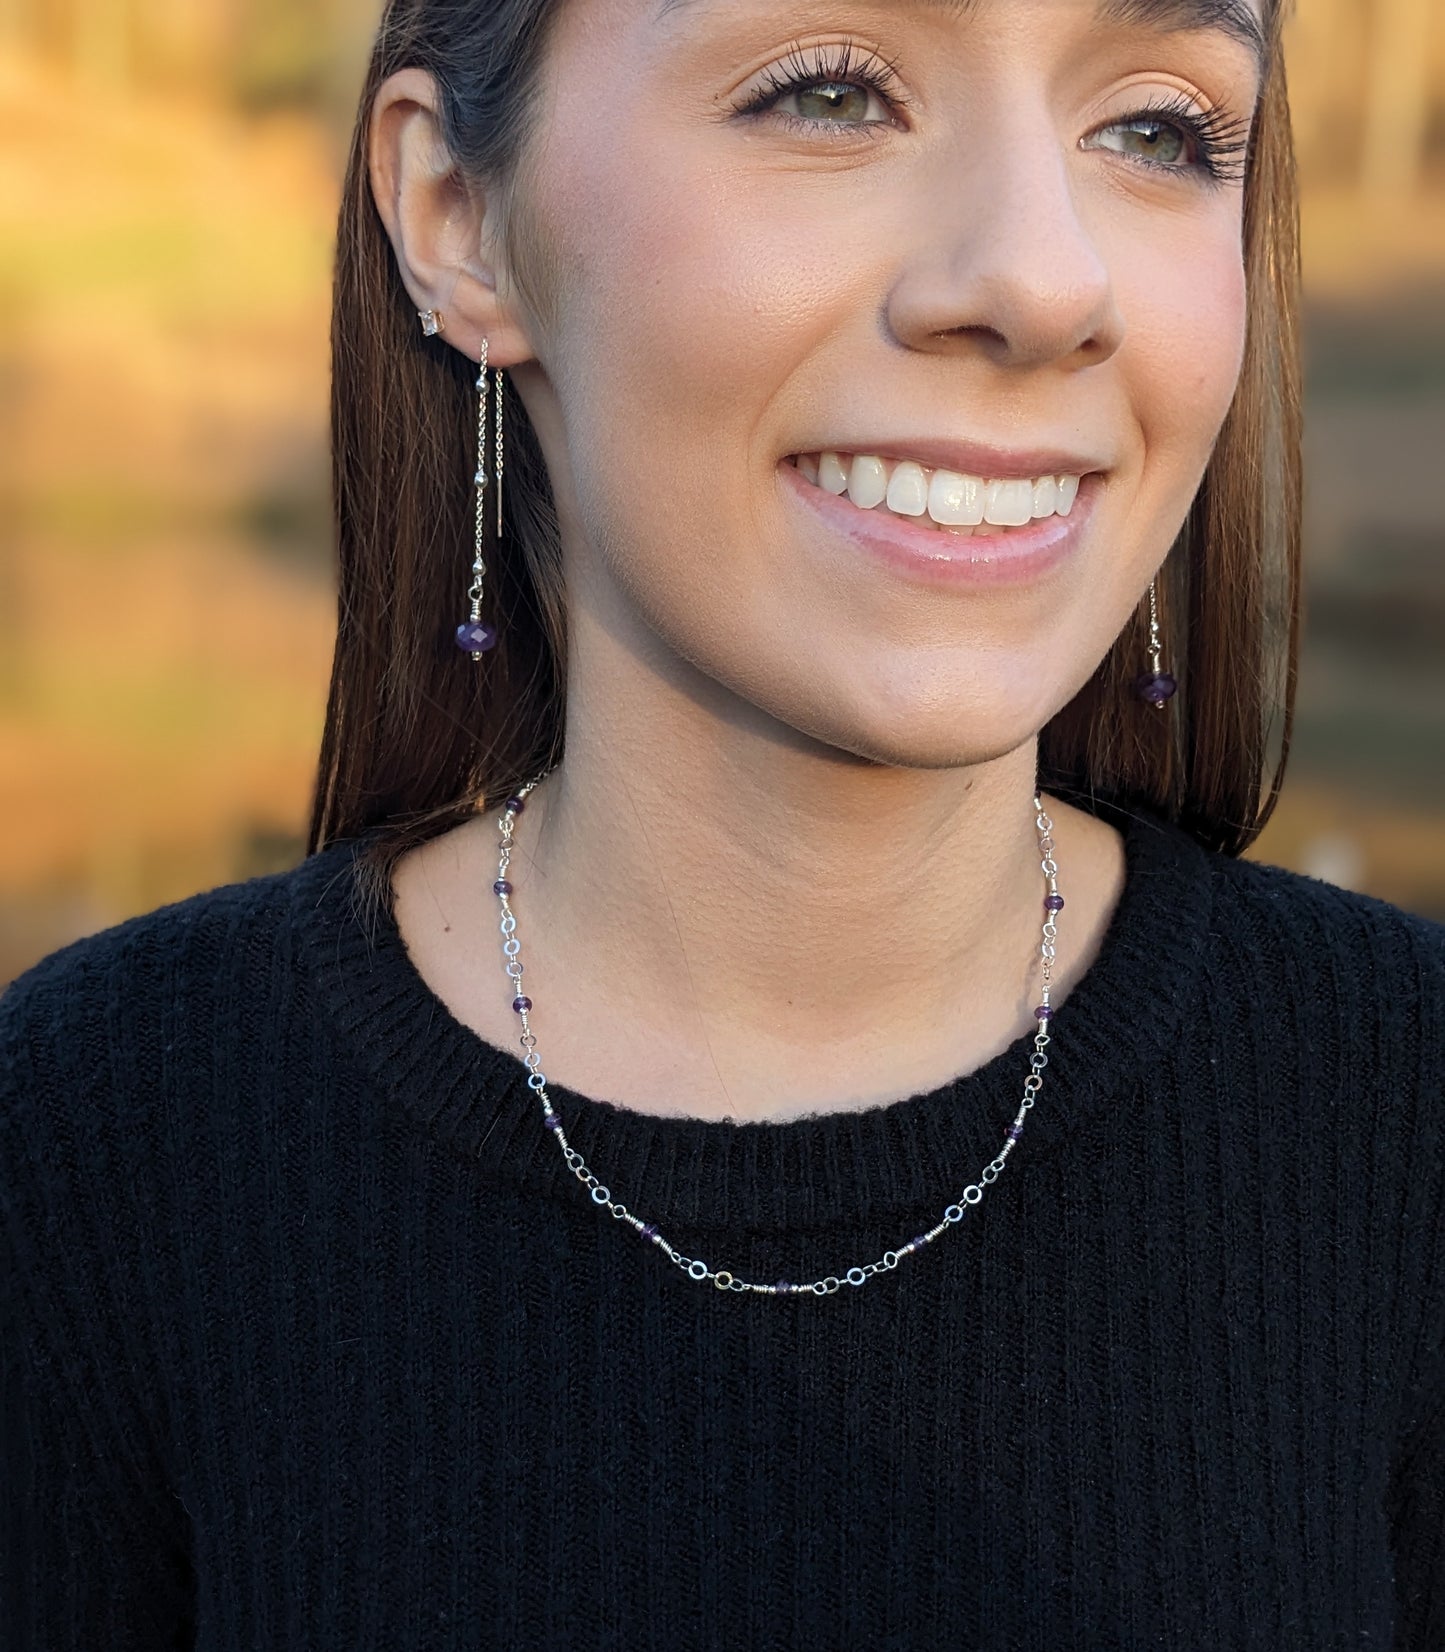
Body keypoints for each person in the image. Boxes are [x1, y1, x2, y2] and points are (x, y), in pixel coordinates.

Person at [2, 0, 1441, 1645]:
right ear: (458, 219)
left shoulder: (1406, 1125)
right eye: (830, 91)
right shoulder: (90, 1149)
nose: (1048, 283)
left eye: (1156, 131)